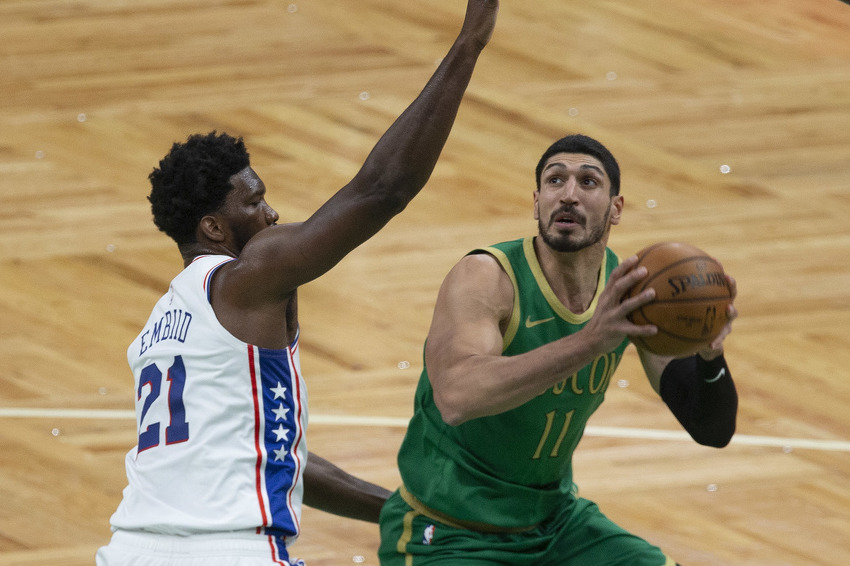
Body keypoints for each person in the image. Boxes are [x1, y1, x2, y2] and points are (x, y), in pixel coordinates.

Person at [95, 2, 499, 565]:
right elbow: (383, 189)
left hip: (131, 550)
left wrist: (404, 512)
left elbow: (279, 458)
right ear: (213, 228)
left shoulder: (162, 326)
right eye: (255, 202)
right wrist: (469, 43)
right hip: (229, 552)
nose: (273, 215)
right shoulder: (243, 281)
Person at [378, 134, 739, 566]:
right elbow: (457, 397)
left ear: (616, 208)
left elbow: (711, 430)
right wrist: (589, 342)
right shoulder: (487, 276)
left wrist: (709, 356)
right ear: (536, 203)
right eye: (555, 181)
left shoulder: (633, 292)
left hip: (556, 524)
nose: (568, 195)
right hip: (449, 531)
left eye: (588, 182)